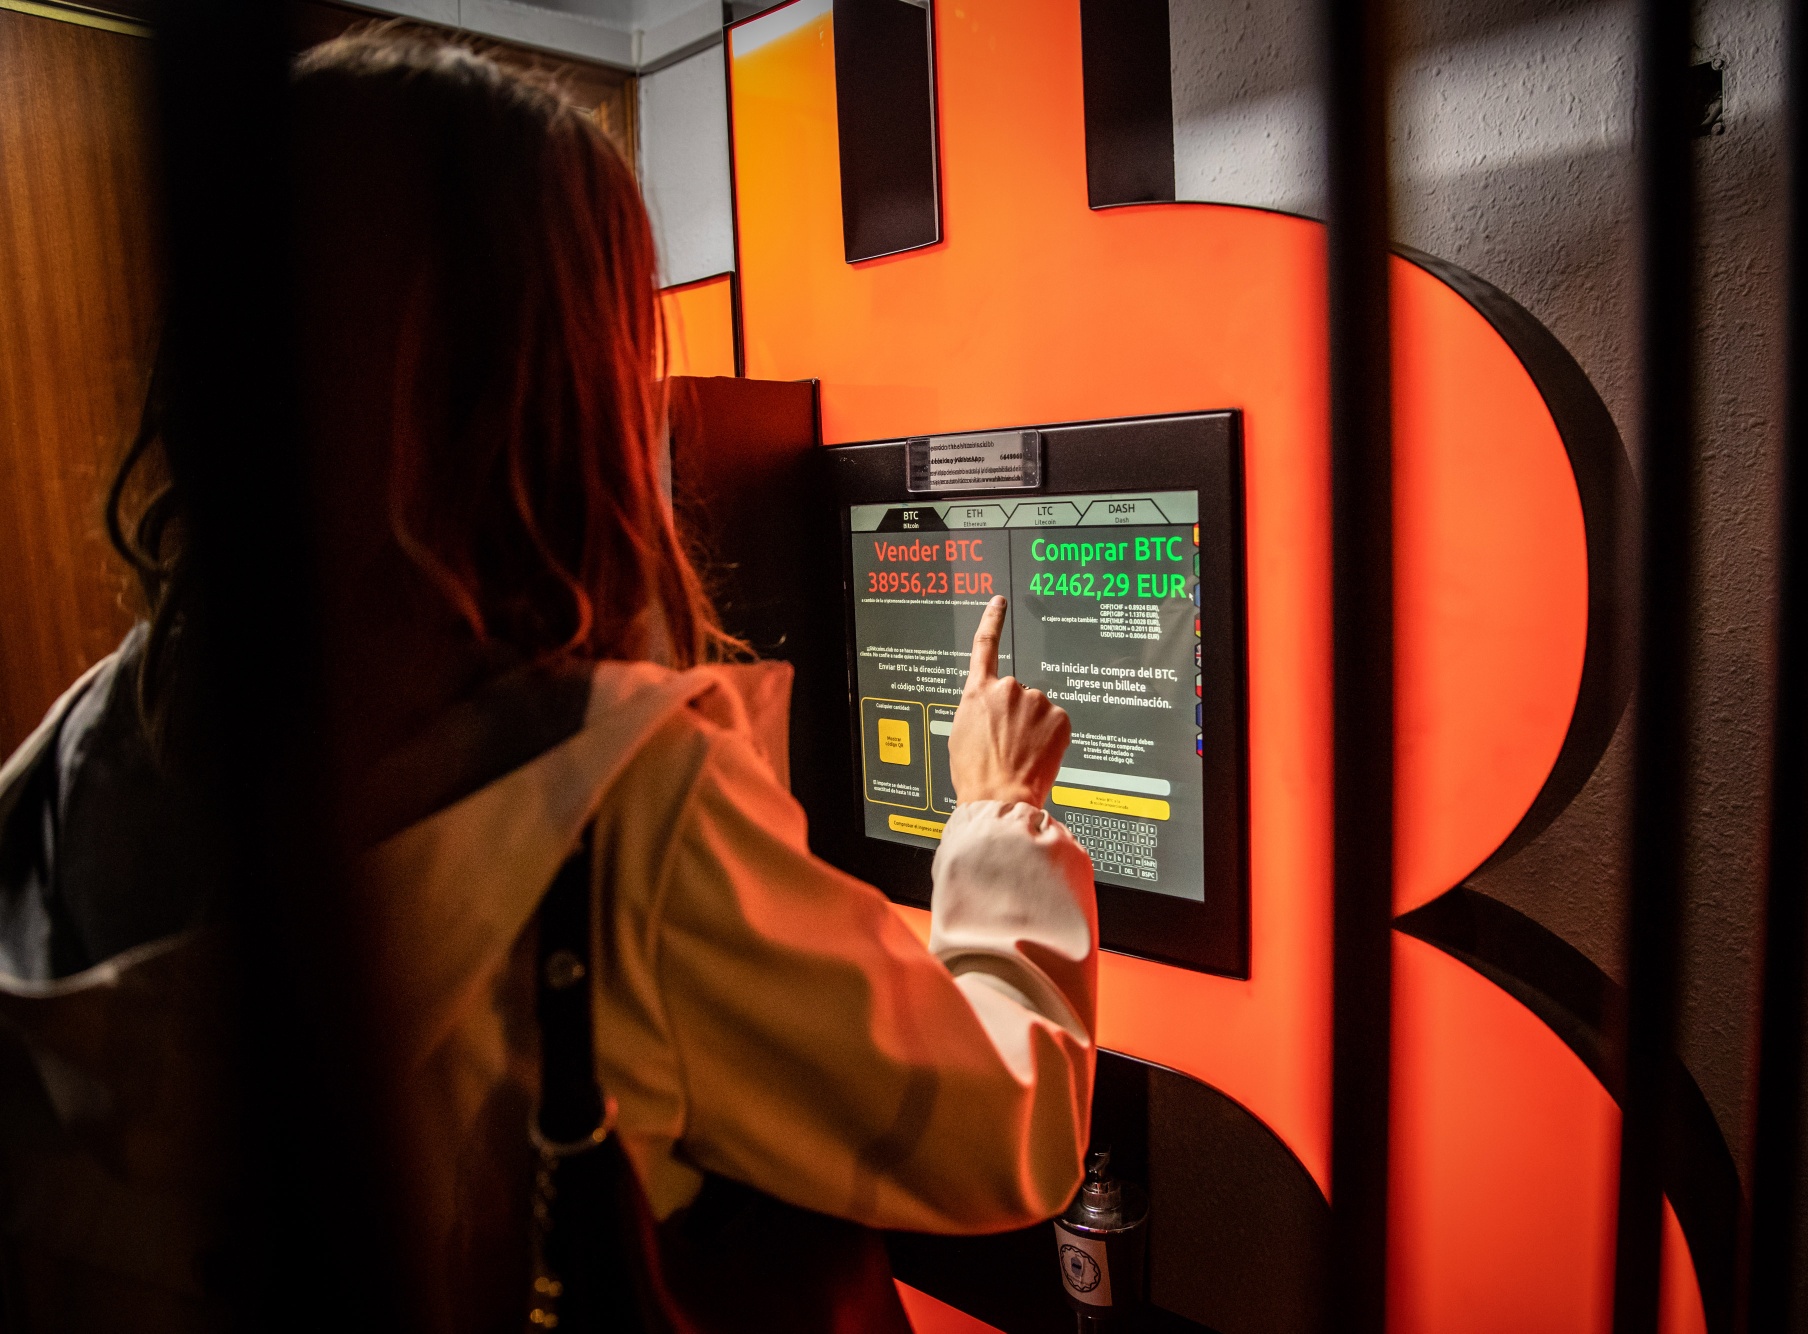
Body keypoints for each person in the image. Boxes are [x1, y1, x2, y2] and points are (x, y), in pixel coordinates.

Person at [0, 30, 1096, 1332]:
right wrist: (995, 813)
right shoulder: (619, 816)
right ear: (565, 384)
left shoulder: (73, 753)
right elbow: (1003, 1132)